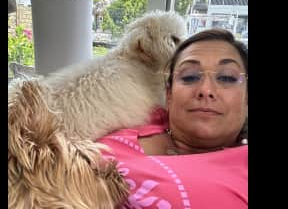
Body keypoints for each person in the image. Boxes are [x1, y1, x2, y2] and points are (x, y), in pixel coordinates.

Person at [97, 28, 248, 209]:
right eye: (190, 77)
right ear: (169, 95)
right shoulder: (124, 121)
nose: (206, 90)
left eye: (226, 78)